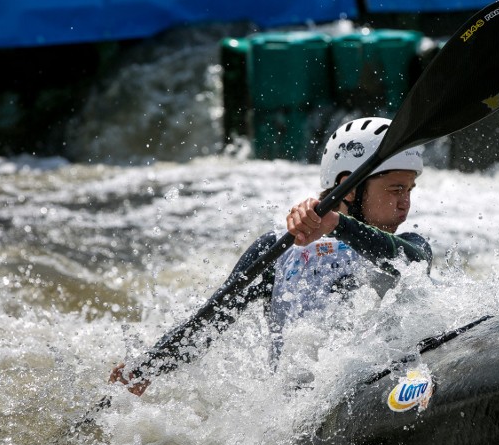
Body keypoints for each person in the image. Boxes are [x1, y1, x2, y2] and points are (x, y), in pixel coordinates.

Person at [110, 116, 431, 395]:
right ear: (349, 188)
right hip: (303, 404)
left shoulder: (408, 246)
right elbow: (211, 319)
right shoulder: (278, 252)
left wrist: (337, 224)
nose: (405, 202)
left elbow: (413, 261)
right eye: (395, 189)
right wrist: (148, 367)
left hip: (377, 385)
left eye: (409, 189)